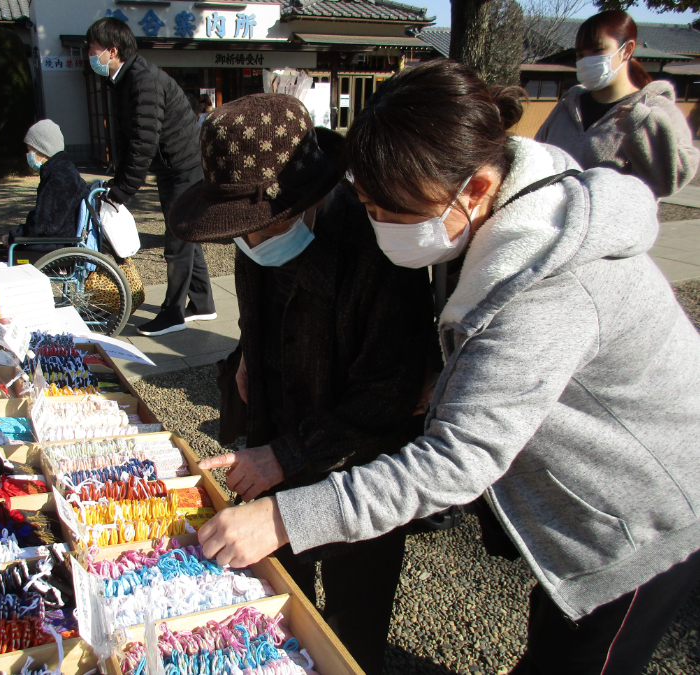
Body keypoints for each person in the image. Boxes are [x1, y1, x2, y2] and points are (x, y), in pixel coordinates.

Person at [197, 61, 700, 675]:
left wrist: (283, 516)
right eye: (365, 205)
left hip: (640, 510)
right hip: (578, 497)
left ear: (477, 189)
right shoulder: (479, 210)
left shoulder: (549, 285)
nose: (376, 227)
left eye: (390, 212)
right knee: (555, 635)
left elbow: (457, 459)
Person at [168, 93, 436, 675]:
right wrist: (248, 354)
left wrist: (285, 457)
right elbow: (258, 311)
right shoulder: (255, 236)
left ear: (309, 199)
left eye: (263, 226)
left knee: (349, 627)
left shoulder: (379, 248)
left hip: (356, 465)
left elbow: (388, 394)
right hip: (276, 425)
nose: (250, 242)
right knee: (278, 595)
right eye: (240, 231)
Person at [87, 18, 216, 336]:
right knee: (187, 234)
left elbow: (143, 142)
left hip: (184, 166)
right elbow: (126, 139)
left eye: (93, 49)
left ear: (112, 50)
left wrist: (124, 190)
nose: (89, 55)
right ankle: (203, 303)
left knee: (177, 240)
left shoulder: (143, 80)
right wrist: (118, 179)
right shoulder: (122, 78)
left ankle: (173, 313)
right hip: (171, 166)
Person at [536, 10, 698, 198]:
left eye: (598, 51)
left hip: (617, 217)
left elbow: (670, 181)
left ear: (627, 50)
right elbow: (536, 157)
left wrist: (647, 127)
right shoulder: (566, 106)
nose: (587, 61)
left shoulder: (656, 109)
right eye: (580, 54)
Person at [0, 120, 88, 279]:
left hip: (53, 250)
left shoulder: (59, 179)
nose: (28, 154)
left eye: (30, 149)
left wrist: (13, 236)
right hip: (57, 243)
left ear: (43, 149)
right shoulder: (63, 171)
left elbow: (43, 226)